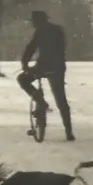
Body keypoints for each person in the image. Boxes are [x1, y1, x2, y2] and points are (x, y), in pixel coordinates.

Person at [17, 11, 74, 141]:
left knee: (23, 79)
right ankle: (69, 132)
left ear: (37, 21)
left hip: (43, 66)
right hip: (57, 67)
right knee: (61, 99)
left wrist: (25, 63)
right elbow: (61, 48)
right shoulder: (58, 30)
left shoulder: (40, 32)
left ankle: (40, 101)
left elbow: (31, 48)